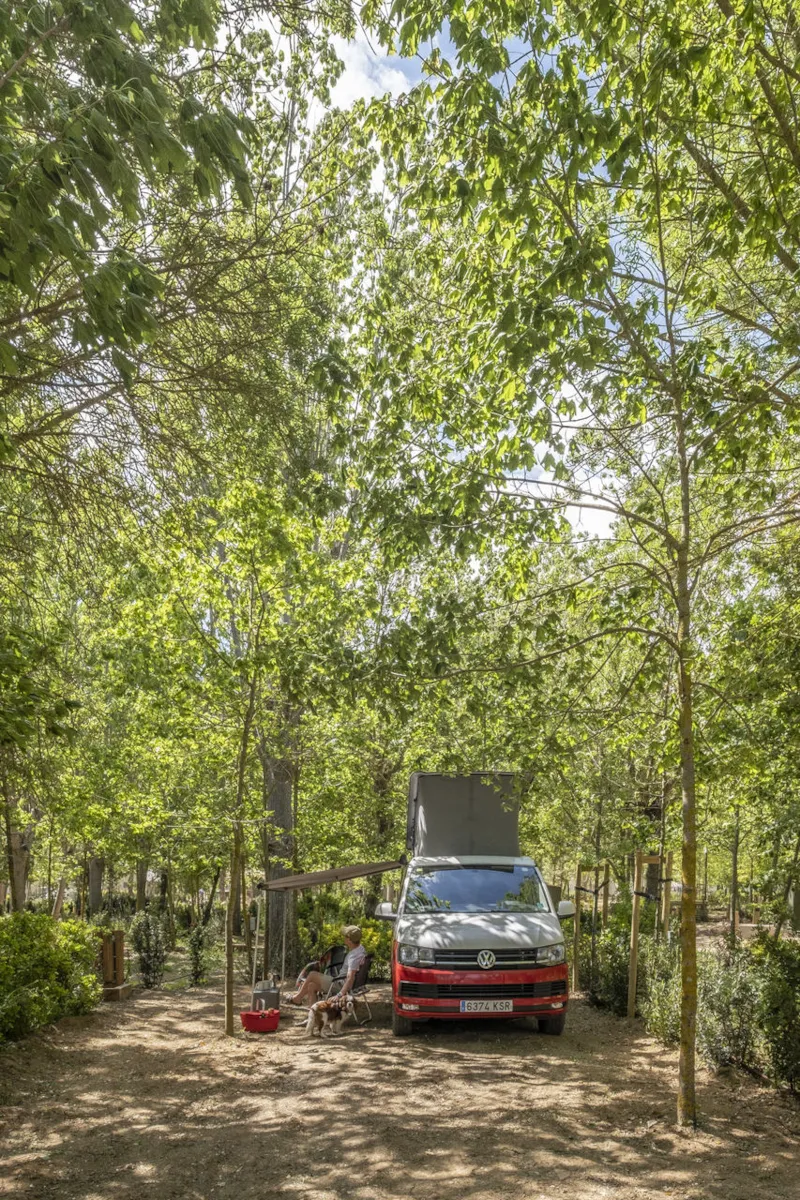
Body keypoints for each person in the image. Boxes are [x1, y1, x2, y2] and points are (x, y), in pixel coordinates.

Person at [287, 925, 366, 1006]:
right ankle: (314, 1014)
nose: (344, 937)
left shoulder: (353, 957)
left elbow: (350, 978)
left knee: (312, 974)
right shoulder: (360, 949)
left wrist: (340, 994)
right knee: (311, 986)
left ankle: (297, 998)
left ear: (349, 940)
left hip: (340, 984)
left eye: (345, 936)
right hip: (347, 982)